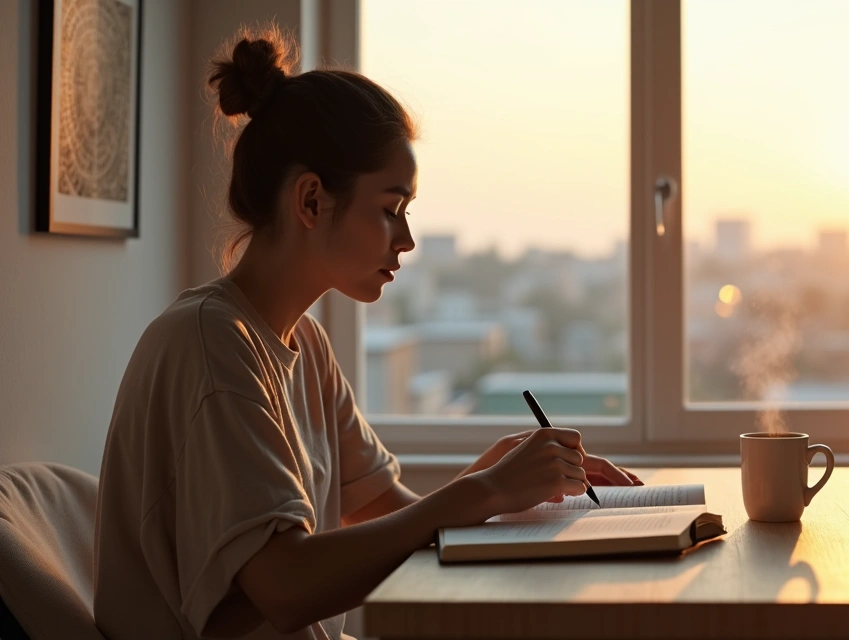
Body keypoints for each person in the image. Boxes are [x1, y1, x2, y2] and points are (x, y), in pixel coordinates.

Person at [93, 27, 639, 640]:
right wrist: (486, 491)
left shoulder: (306, 347)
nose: (405, 240)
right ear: (310, 200)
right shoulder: (210, 348)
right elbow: (288, 587)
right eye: (390, 209)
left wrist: (499, 475)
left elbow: (397, 522)